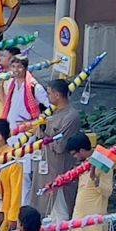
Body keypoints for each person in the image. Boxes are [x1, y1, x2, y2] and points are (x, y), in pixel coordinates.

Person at [60, 131, 110, 231]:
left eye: (75, 154)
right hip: (79, 213)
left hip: (95, 214)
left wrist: (95, 179)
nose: (74, 157)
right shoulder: (84, 163)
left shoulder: (102, 161)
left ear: (82, 150)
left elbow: (107, 191)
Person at [39, 77, 82, 218]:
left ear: (57, 95)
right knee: (51, 213)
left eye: (49, 93)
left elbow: (59, 146)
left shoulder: (71, 116)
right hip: (49, 168)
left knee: (61, 213)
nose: (48, 96)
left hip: (61, 170)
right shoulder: (53, 112)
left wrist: (45, 137)